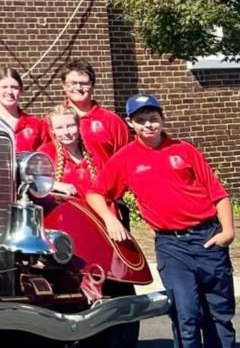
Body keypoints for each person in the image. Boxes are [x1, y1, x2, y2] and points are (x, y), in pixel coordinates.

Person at [86, 94, 235, 348]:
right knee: (186, 313)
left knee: (219, 313)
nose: (148, 125)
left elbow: (217, 193)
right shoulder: (125, 158)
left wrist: (228, 232)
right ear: (130, 123)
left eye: (153, 118)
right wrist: (110, 219)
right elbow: (95, 192)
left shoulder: (184, 150)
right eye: (141, 120)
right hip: (172, 246)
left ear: (163, 119)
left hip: (208, 238)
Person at [60, 59, 129, 164]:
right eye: (73, 83)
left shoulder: (112, 121)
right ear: (64, 86)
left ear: (92, 86)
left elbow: (126, 160)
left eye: (84, 83)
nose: (78, 88)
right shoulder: (52, 121)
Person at [40, 106, 100, 197]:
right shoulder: (46, 153)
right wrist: (54, 185)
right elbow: (32, 181)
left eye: (71, 126)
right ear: (52, 130)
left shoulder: (93, 151)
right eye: (59, 128)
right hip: (61, 206)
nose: (66, 132)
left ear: (79, 125)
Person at [0, 68, 47, 152]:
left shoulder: (36, 124)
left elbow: (45, 155)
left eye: (15, 87)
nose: (9, 91)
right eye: (4, 87)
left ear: (21, 90)